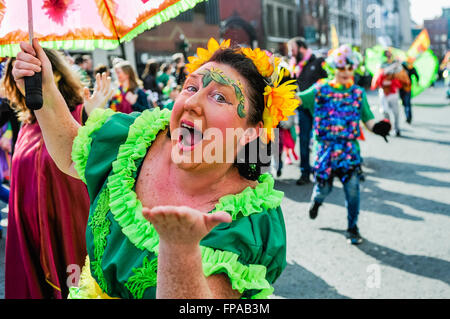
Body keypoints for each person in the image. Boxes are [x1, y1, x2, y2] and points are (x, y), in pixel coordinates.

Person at [13, 37, 295, 299]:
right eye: (191, 87)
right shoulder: (135, 138)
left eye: (220, 97)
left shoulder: (248, 222)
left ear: (251, 134)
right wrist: (45, 87)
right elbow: (73, 155)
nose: (192, 103)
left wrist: (179, 249)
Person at [1, 49, 113, 298]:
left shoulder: (76, 115)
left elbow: (86, 157)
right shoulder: (27, 126)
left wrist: (89, 116)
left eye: (34, 72)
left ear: (56, 75)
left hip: (69, 222)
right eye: (19, 75)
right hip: (32, 232)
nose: (27, 81)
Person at [297, 45, 391, 245]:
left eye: (350, 68)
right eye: (342, 68)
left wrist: (379, 127)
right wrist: (280, 87)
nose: (346, 72)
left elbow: (368, 119)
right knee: (323, 190)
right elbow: (298, 100)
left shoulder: (357, 93)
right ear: (334, 68)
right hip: (325, 152)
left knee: (353, 190)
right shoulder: (320, 89)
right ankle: (316, 202)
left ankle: (352, 227)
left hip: (349, 153)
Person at [287, 37, 328, 186]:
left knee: (320, 139)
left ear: (301, 48)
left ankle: (322, 169)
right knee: (303, 140)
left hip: (319, 108)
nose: (291, 52)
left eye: (293, 49)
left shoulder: (318, 62)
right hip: (303, 108)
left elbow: (328, 81)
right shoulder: (294, 66)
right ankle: (305, 172)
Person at [371, 49, 410, 137]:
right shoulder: (381, 64)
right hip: (384, 91)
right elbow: (381, 73)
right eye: (386, 55)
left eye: (389, 55)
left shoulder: (397, 65)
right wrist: (392, 67)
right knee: (384, 111)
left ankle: (397, 129)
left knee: (396, 112)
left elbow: (401, 74)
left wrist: (397, 66)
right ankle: (388, 127)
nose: (388, 56)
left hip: (393, 91)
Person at [400, 57, 419, 124]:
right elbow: (416, 75)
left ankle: (408, 116)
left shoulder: (401, 67)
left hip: (404, 88)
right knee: (406, 103)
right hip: (405, 88)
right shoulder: (409, 67)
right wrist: (417, 82)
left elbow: (416, 74)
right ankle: (408, 116)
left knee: (406, 103)